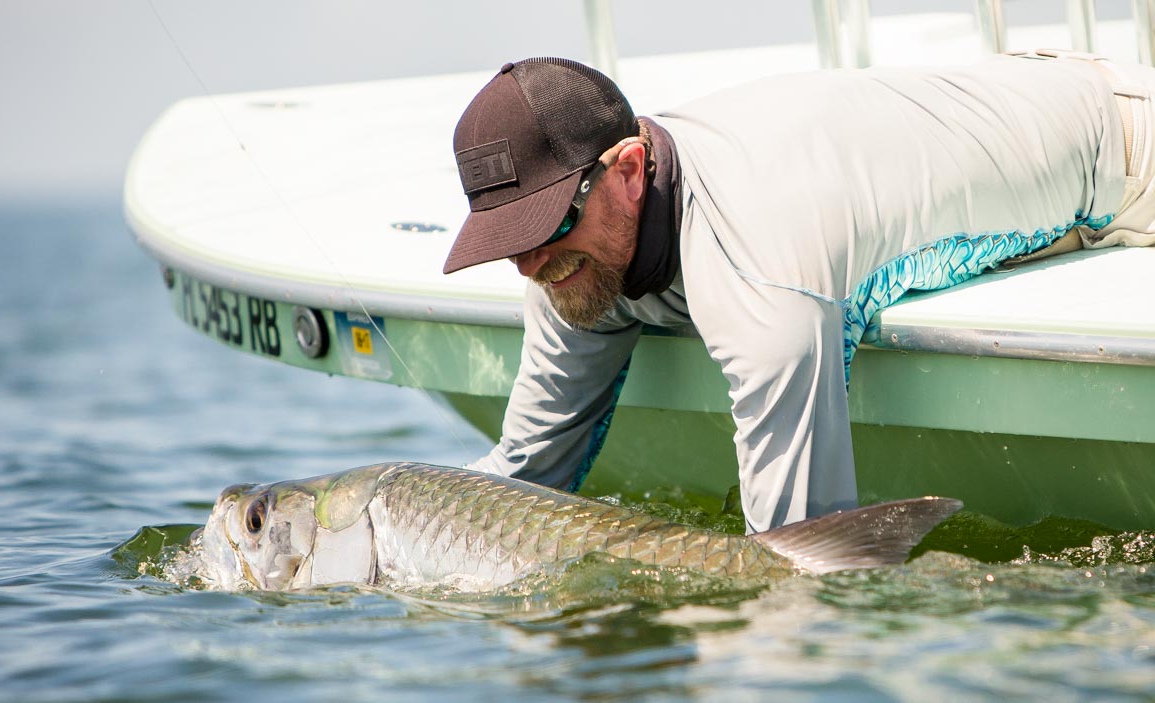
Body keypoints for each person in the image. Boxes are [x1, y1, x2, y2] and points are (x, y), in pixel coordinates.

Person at [442, 52, 1155, 533]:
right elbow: (524, 478)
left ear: (631, 169)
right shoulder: (572, 261)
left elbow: (803, 553)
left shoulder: (763, 262)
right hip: (1008, 122)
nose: (532, 264)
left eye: (549, 223)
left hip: (1124, 149)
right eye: (510, 239)